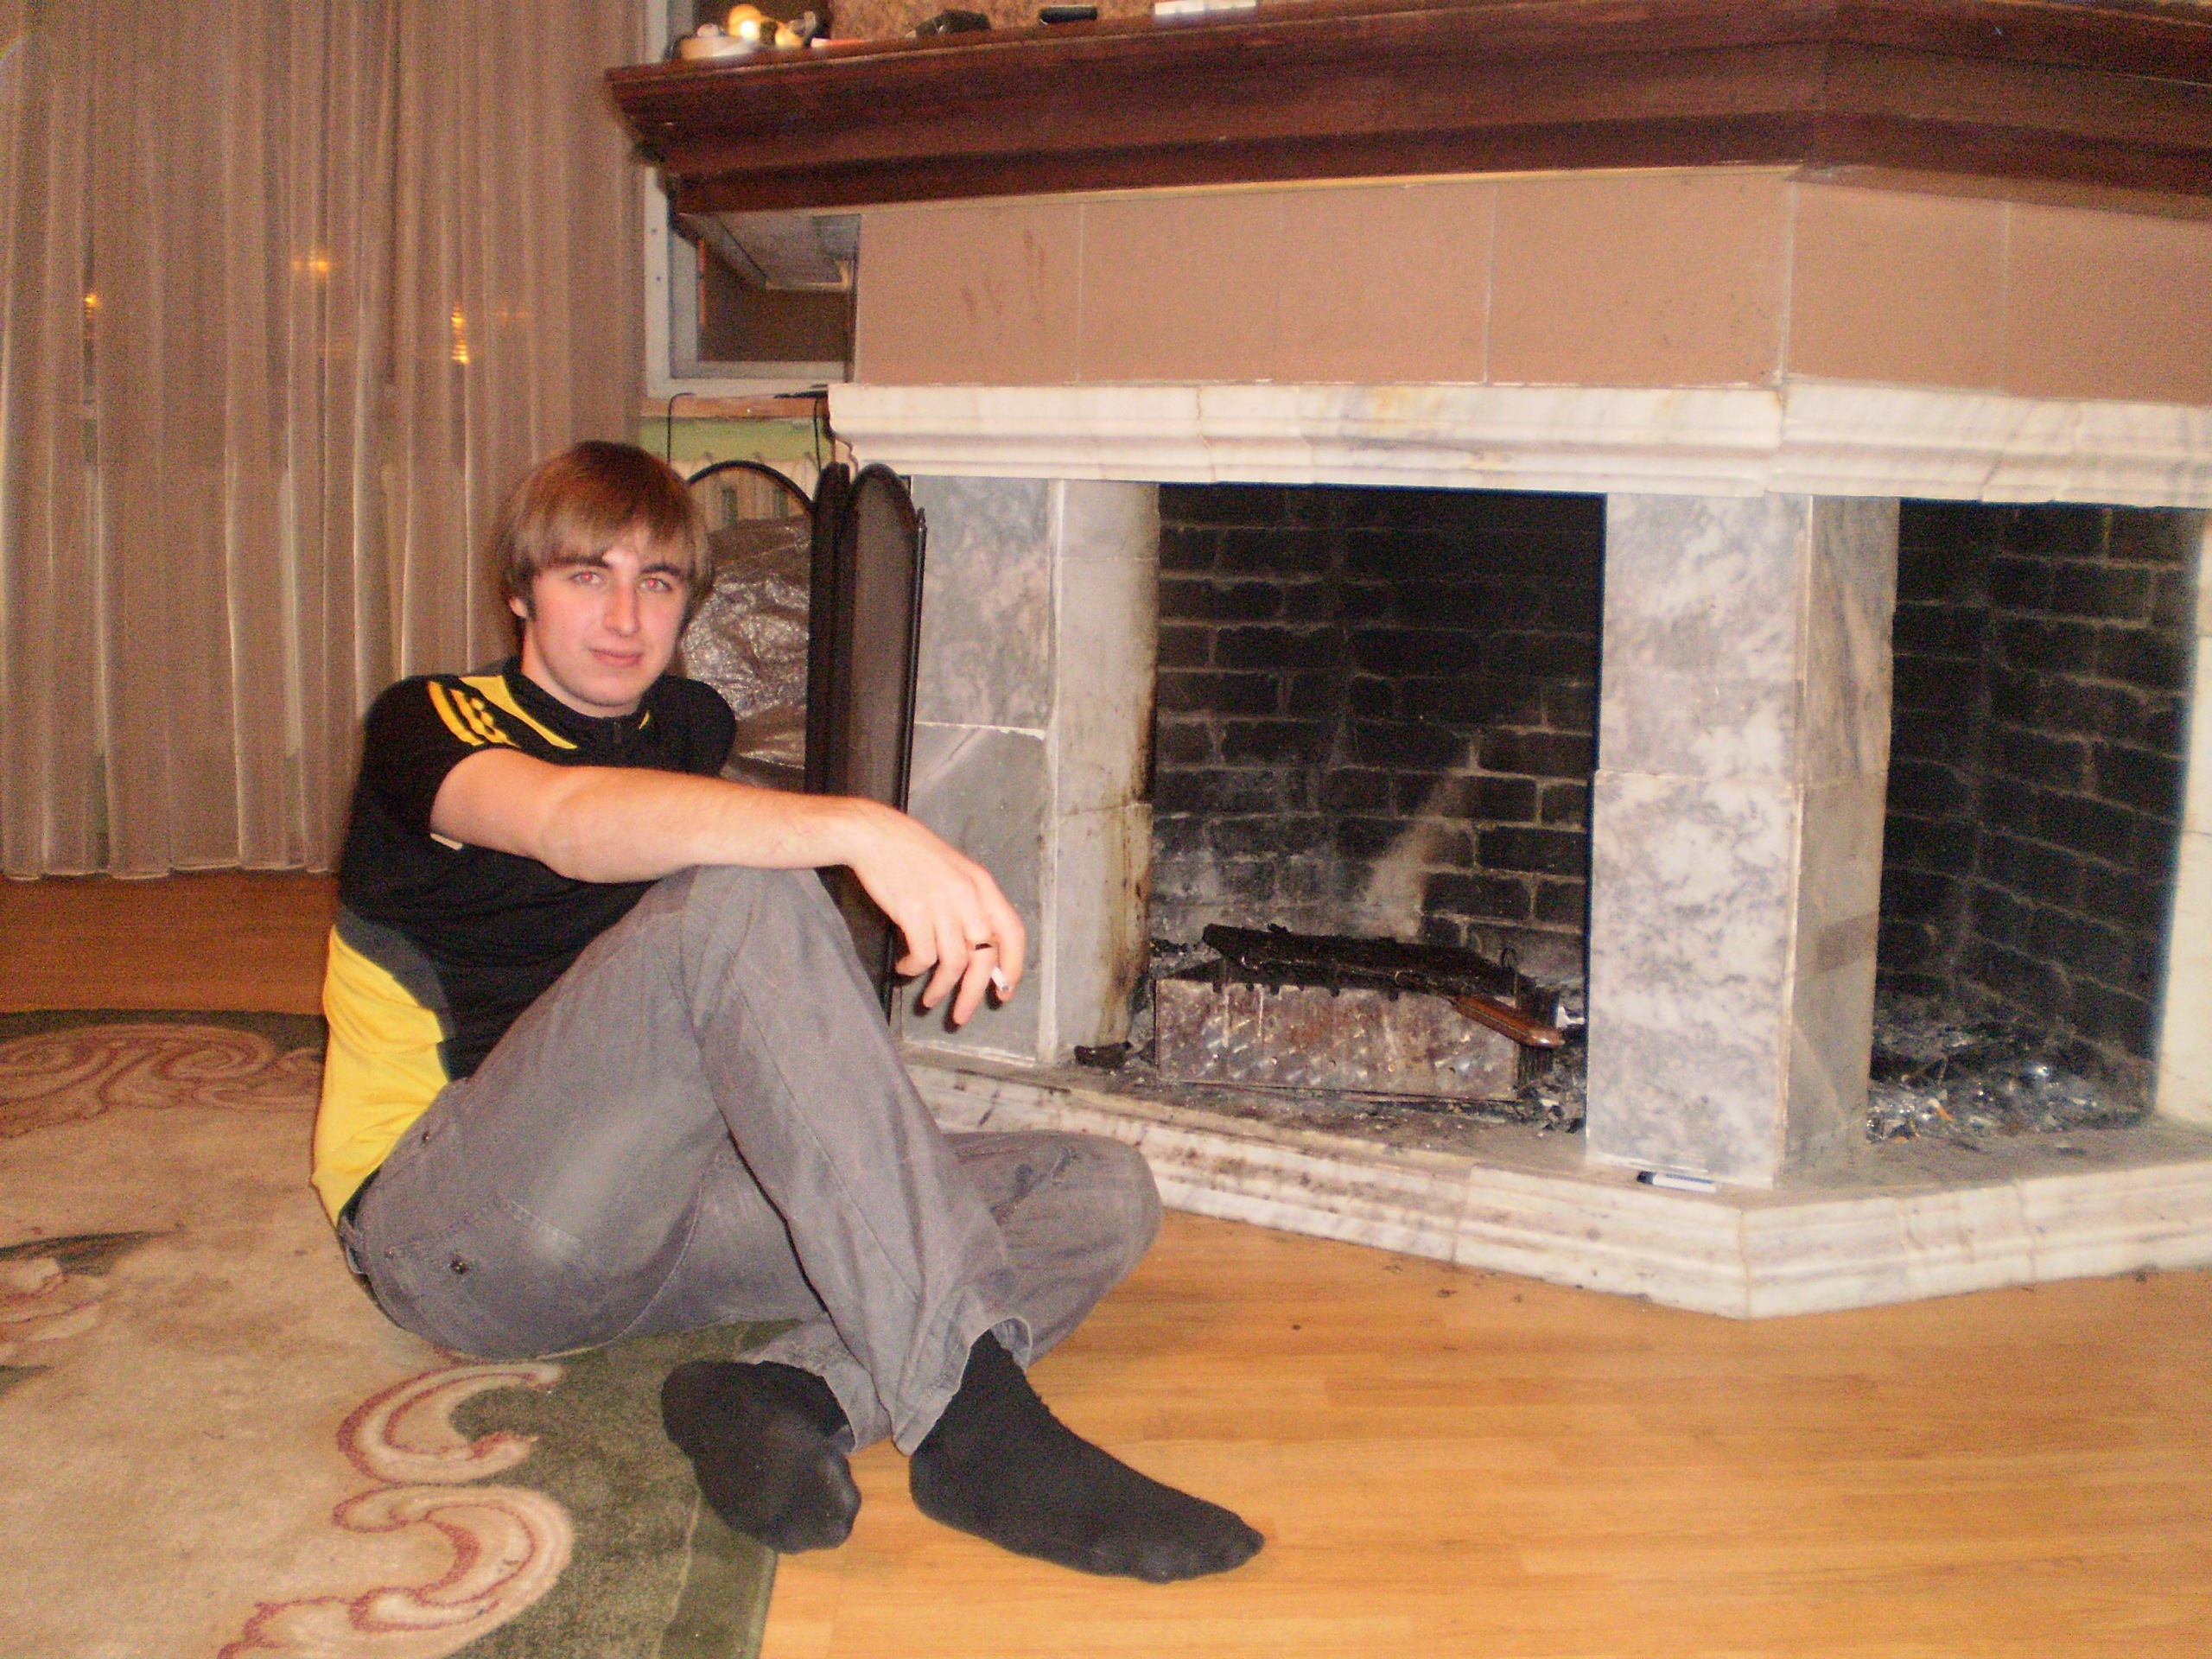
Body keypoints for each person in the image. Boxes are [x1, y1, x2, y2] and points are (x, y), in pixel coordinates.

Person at [310, 441, 1262, 1584]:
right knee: (741, 892)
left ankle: (787, 1394)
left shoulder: (687, 727)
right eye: (585, 575)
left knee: (1099, 1188)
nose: (624, 615)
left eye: (658, 581)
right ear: (521, 591)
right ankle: (974, 1426)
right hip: (459, 1231)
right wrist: (863, 828)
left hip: (660, 1217)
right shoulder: (426, 723)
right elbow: (565, 820)